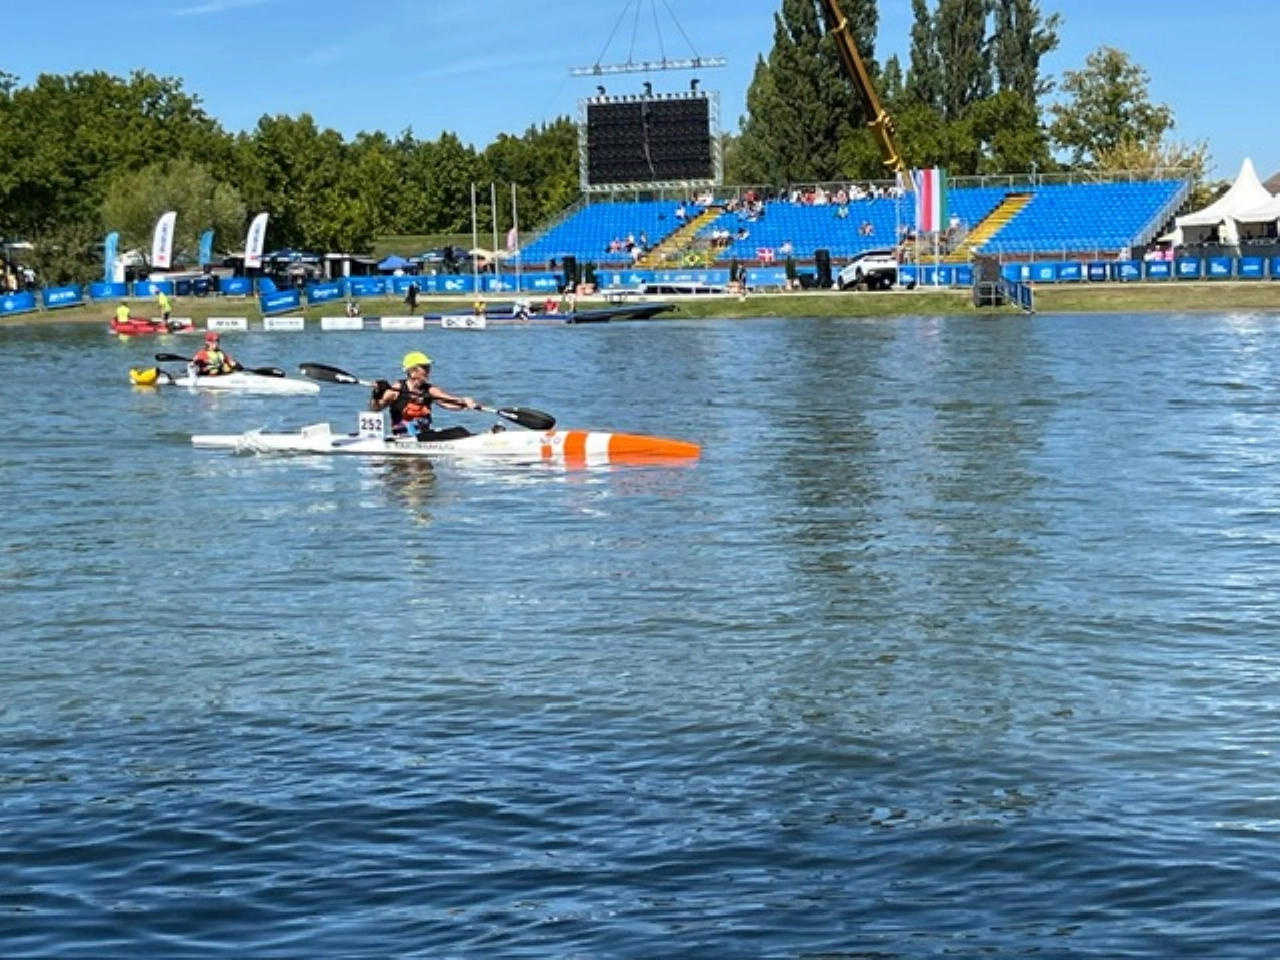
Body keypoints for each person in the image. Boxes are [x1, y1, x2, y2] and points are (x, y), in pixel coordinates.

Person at [369, 351, 478, 441]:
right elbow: (375, 408)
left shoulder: (430, 390)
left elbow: (448, 403)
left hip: (425, 436)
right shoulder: (397, 389)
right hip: (403, 438)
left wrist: (464, 402)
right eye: (424, 368)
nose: (428, 371)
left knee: (459, 431)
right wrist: (377, 393)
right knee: (458, 432)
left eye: (428, 368)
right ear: (412, 372)